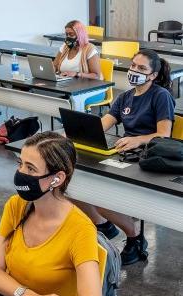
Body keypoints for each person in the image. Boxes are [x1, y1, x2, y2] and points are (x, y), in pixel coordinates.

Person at [0, 131, 102, 296]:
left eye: (30, 168)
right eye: (20, 164)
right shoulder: (16, 206)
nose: (20, 173)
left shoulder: (80, 229)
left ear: (57, 178)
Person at [75, 49, 175, 266]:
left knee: (103, 199)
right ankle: (104, 224)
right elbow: (103, 125)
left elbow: (164, 134)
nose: (134, 71)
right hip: (124, 152)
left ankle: (135, 238)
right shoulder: (125, 97)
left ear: (153, 75)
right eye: (133, 66)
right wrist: (75, 132)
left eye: (141, 68)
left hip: (147, 156)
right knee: (72, 186)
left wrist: (138, 140)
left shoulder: (160, 96)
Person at [53, 20, 106, 108]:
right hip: (70, 87)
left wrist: (77, 74)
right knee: (57, 103)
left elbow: (96, 75)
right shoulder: (65, 47)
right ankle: (68, 121)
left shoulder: (90, 49)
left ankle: (72, 121)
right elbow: (54, 65)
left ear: (80, 35)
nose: (68, 37)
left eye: (71, 34)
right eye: (66, 34)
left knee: (66, 105)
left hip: (92, 90)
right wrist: (49, 71)